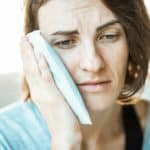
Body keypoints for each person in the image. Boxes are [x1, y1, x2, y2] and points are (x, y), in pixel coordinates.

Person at [0, 0, 150, 149]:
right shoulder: (5, 138)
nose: (93, 64)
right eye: (65, 42)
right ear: (33, 51)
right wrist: (65, 141)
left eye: (109, 36)